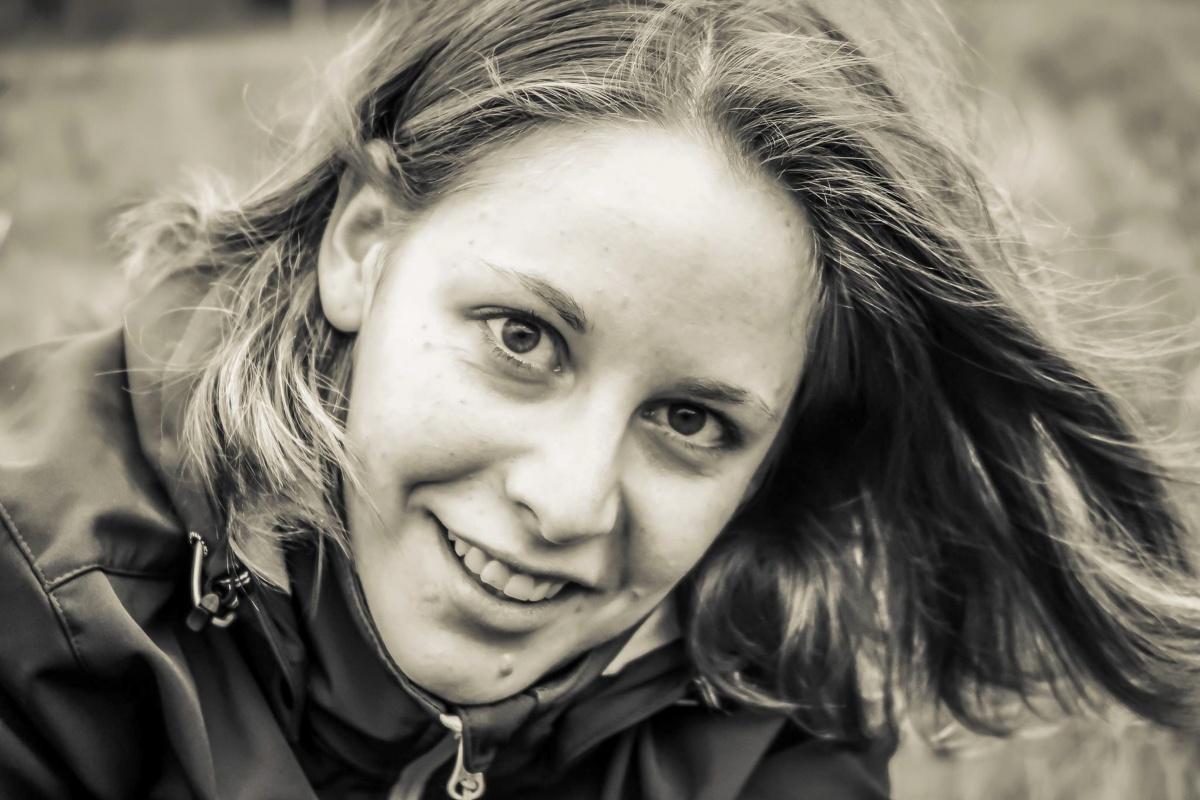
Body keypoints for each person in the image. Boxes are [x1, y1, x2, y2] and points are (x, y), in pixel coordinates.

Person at [2, 0, 1198, 797]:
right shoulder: (39, 599)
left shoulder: (760, 718)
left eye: (690, 420)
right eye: (522, 338)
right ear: (363, 244)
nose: (569, 501)